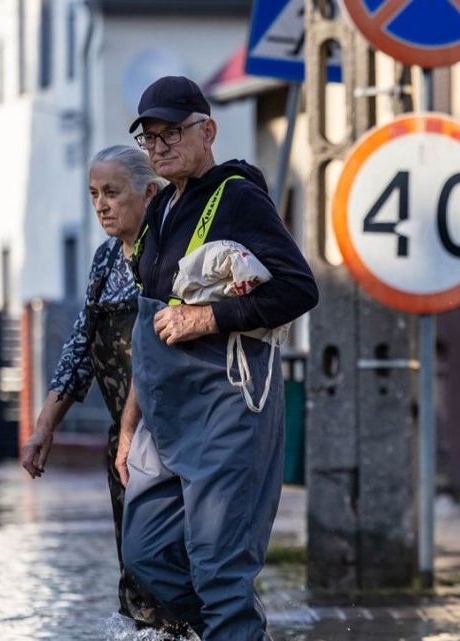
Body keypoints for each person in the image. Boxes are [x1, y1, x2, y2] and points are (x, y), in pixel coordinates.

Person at [117, 75, 318, 640]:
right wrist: (130, 426)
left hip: (229, 407)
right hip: (165, 414)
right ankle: (232, 629)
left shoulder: (239, 198)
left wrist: (206, 317)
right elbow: (147, 330)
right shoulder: (159, 212)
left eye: (172, 133)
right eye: (149, 138)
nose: (158, 147)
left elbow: (300, 289)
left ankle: (231, 623)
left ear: (207, 131)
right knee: (146, 553)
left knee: (218, 568)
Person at [19, 145, 166, 625]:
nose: (101, 204)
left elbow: (156, 351)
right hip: (123, 444)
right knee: (133, 569)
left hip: (170, 438)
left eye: (112, 193)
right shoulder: (105, 258)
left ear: (148, 192)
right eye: (93, 194)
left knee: (168, 560)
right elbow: (81, 342)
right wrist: (45, 426)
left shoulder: (168, 251)